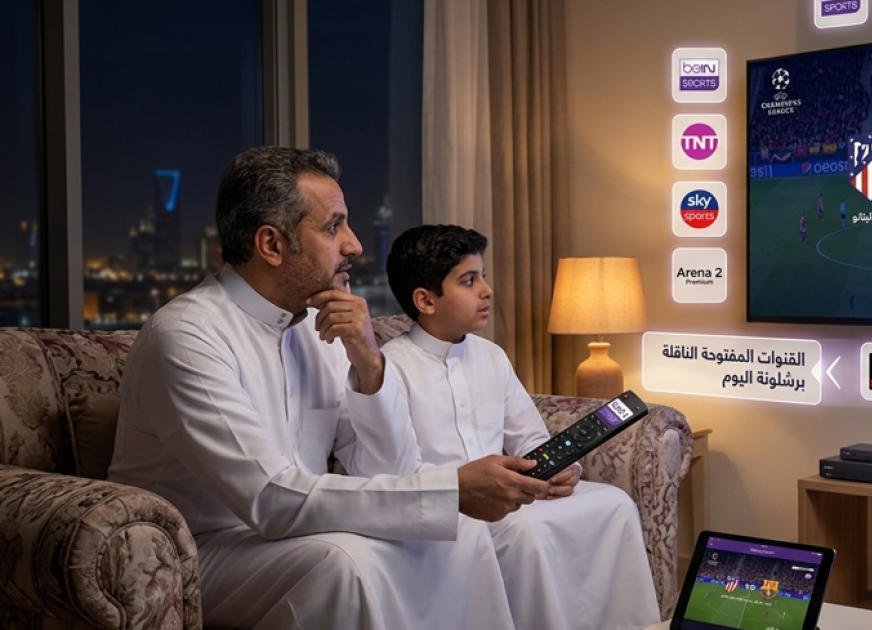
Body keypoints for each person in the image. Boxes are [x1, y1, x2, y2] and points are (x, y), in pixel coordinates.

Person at [108, 147, 550, 630]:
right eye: (333, 227)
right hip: (198, 553)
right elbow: (270, 500)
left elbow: (391, 468)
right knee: (344, 562)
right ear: (271, 245)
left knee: (458, 534)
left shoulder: (318, 329)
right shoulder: (187, 337)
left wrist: (369, 362)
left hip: (294, 535)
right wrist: (453, 490)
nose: (354, 245)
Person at [380, 224, 661, 630]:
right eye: (469, 281)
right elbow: (398, 471)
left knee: (614, 503)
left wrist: (564, 470)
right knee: (525, 532)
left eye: (483, 276)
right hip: (454, 506)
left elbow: (530, 437)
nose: (487, 291)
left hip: (516, 495)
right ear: (425, 300)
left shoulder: (491, 356)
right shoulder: (390, 369)